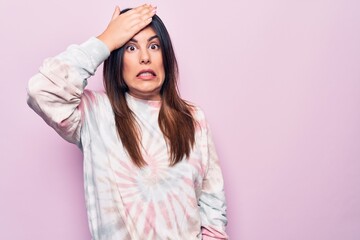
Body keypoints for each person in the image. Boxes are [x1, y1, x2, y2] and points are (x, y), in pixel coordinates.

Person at [27, 4, 228, 240]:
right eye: (131, 47)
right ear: (117, 58)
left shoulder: (193, 118)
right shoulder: (94, 114)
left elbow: (213, 206)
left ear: (166, 57)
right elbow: (40, 90)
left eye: (154, 46)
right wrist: (106, 41)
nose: (145, 57)